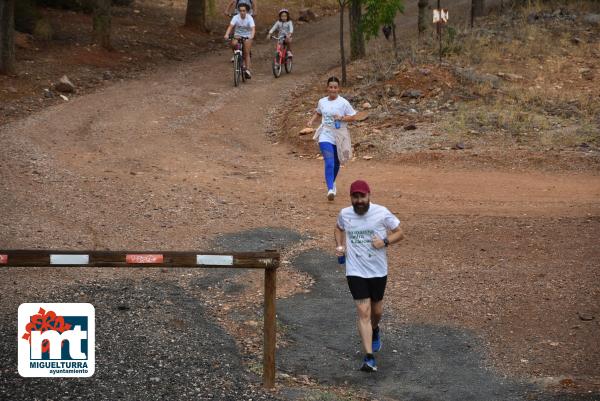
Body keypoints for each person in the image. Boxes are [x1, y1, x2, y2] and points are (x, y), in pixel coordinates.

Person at [334, 180, 404, 372]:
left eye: (362, 197)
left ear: (369, 196)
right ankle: (369, 357)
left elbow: (400, 232)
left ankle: (375, 330)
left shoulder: (381, 212)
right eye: (355, 197)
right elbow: (339, 228)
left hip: (378, 271)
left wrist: (385, 241)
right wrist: (340, 246)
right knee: (363, 312)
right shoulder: (345, 214)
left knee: (377, 311)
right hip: (355, 270)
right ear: (351, 198)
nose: (359, 201)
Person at [306, 76, 357, 201]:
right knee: (329, 161)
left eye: (335, 87)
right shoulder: (322, 101)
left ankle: (332, 182)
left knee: (337, 162)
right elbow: (319, 112)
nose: (333, 89)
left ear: (339, 88)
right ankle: (330, 189)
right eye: (330, 87)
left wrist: (342, 118)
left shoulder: (344, 102)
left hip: (339, 135)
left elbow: (353, 117)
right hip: (325, 134)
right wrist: (312, 121)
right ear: (327, 88)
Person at [224, 3, 256, 79]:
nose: (242, 12)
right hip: (237, 35)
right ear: (238, 11)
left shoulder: (249, 18)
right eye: (240, 10)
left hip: (247, 35)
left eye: (244, 11)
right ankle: (236, 55)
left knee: (246, 52)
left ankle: (247, 70)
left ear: (247, 11)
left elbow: (253, 29)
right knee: (233, 43)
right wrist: (226, 34)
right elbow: (230, 27)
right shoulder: (236, 17)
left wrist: (251, 36)